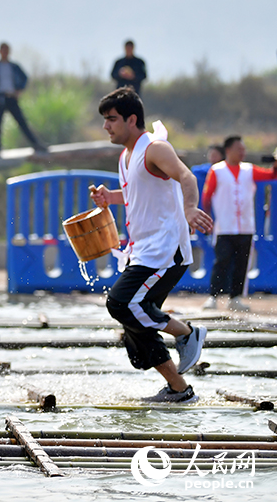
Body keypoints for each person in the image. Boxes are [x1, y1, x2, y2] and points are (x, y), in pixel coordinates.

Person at [90, 87, 212, 403]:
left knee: (120, 304)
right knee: (135, 324)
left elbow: (187, 178)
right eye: (104, 120)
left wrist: (189, 209)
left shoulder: (155, 148)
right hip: (144, 251)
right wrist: (110, 198)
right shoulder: (125, 156)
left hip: (166, 252)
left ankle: (187, 333)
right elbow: (134, 195)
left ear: (133, 119)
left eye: (112, 119)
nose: (106, 126)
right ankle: (179, 390)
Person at [201, 136, 277, 311]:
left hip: (245, 226)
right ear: (228, 150)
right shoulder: (217, 170)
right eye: (239, 149)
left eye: (243, 149)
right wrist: (207, 218)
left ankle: (235, 297)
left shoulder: (248, 169)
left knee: (242, 263)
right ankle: (213, 297)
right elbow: (207, 196)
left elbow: (271, 175)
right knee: (222, 261)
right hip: (224, 226)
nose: (242, 152)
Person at [0, 42, 44, 155]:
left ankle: (36, 144)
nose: (5, 52)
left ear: (9, 52)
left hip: (12, 97)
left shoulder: (14, 67)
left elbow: (25, 78)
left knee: (22, 121)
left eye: (7, 50)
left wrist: (19, 90)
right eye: (3, 50)